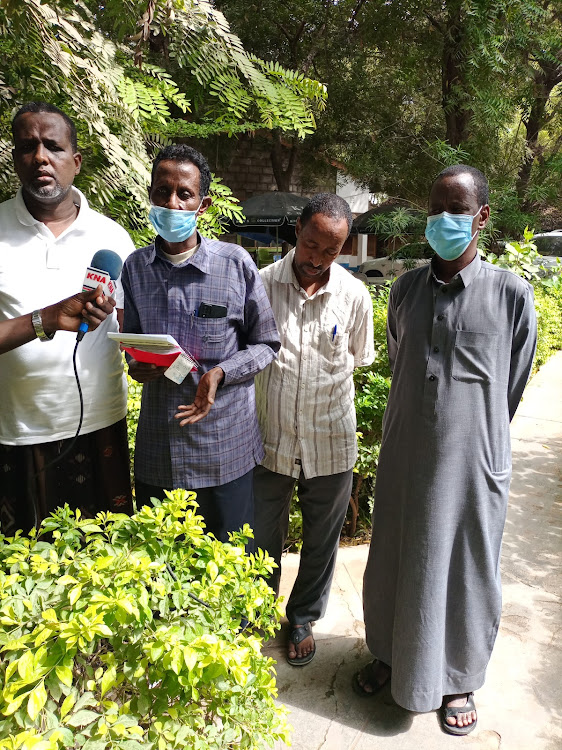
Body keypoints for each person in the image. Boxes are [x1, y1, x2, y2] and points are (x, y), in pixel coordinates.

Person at [356, 165, 537, 736]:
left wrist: (471, 431)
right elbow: (401, 362)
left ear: (481, 217)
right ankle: (390, 653)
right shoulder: (406, 290)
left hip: (472, 461)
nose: (442, 221)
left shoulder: (511, 293)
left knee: (466, 564)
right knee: (395, 555)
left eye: (455, 210)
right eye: (435, 209)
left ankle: (458, 676)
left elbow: (512, 384)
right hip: (407, 451)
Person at [122, 144, 280, 543]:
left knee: (226, 571)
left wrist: (221, 374)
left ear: (203, 204)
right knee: (163, 577)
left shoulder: (235, 263)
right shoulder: (135, 268)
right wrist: (136, 367)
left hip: (224, 451)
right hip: (160, 451)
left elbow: (267, 344)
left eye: (184, 194)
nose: (171, 203)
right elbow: (136, 346)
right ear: (151, 195)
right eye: (162, 192)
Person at [0, 102, 135, 536]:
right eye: (27, 146)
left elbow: (134, 330)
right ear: (15, 157)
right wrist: (45, 319)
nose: (40, 157)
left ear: (75, 162)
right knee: (21, 582)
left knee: (101, 574)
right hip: (14, 434)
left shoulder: (112, 238)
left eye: (53, 147)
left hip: (100, 429)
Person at [253, 193, 375, 666]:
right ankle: (257, 612)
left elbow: (356, 361)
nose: (316, 259)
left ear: (343, 248)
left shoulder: (354, 295)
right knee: (261, 536)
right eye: (310, 245)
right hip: (270, 438)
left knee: (322, 541)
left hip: (331, 440)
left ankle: (302, 616)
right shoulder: (261, 285)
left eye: (330, 251)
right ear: (297, 232)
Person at [0, 286, 114, 355]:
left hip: (106, 392)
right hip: (13, 393)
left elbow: (123, 332)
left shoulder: (121, 249)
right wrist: (51, 318)